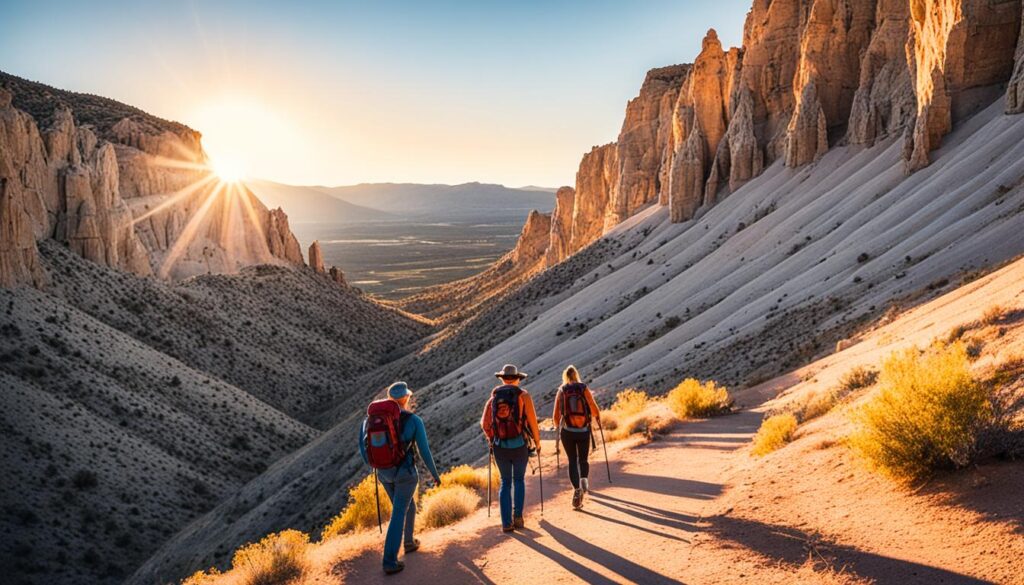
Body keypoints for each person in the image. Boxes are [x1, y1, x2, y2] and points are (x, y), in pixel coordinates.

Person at [359, 381, 441, 575]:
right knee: (399, 513)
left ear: (390, 399)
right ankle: (389, 561)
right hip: (406, 475)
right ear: (406, 398)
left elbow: (364, 450)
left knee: (405, 505)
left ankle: (409, 541)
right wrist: (435, 475)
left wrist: (379, 466)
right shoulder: (414, 420)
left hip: (384, 474)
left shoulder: (369, 421)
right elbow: (424, 452)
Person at [480, 364, 541, 533]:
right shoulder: (524, 396)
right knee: (519, 480)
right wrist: (537, 442)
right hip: (520, 445)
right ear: (517, 378)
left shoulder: (493, 399)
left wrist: (493, 438)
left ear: (502, 378)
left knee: (505, 482)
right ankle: (518, 517)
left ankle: (506, 523)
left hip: (500, 447)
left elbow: (484, 424)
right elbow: (533, 422)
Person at [552, 365, 601, 510]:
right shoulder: (583, 388)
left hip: (567, 431)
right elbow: (592, 405)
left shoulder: (562, 390)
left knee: (572, 460)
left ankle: (576, 490)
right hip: (583, 430)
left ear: (565, 376)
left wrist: (557, 427)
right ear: (576, 375)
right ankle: (584, 481)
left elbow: (555, 415)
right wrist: (597, 418)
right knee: (583, 458)